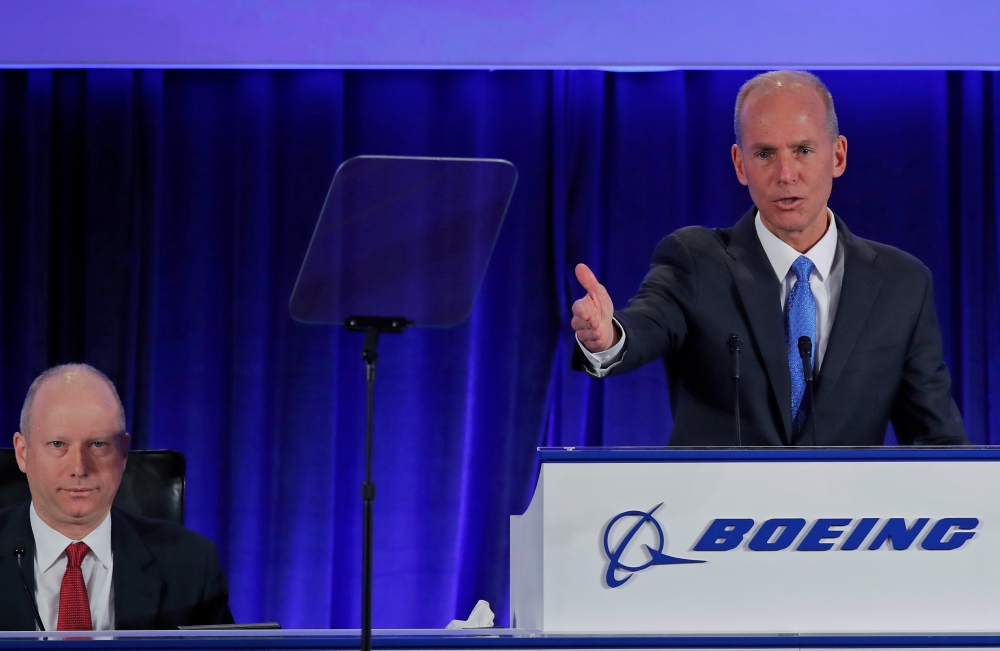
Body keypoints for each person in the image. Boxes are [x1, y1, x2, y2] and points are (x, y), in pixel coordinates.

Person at [571, 70, 968, 446]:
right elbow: (648, 323)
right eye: (764, 154)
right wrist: (608, 339)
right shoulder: (696, 260)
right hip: (714, 516)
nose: (785, 174)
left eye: (803, 150)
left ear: (838, 156)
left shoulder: (902, 282)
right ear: (740, 164)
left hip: (844, 516)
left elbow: (936, 438)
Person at [0, 364, 234, 631]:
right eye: (58, 444)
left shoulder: (192, 565)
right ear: (22, 452)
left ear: (124, 453)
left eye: (98, 444)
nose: (79, 468)